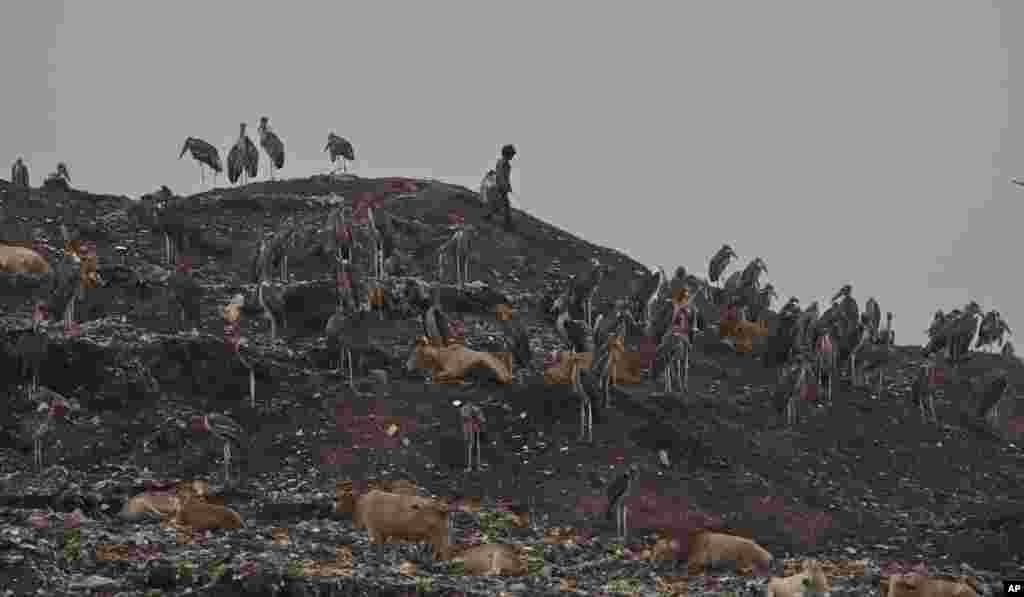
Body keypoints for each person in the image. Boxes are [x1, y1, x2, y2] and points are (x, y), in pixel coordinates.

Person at [486, 144, 515, 229]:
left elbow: (500, 174)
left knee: (498, 204)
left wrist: (507, 185)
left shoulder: (500, 161)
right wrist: (506, 186)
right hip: (501, 187)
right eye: (512, 154)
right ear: (508, 154)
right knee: (505, 205)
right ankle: (507, 224)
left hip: (498, 185)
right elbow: (503, 176)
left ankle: (489, 216)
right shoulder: (505, 164)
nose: (513, 156)